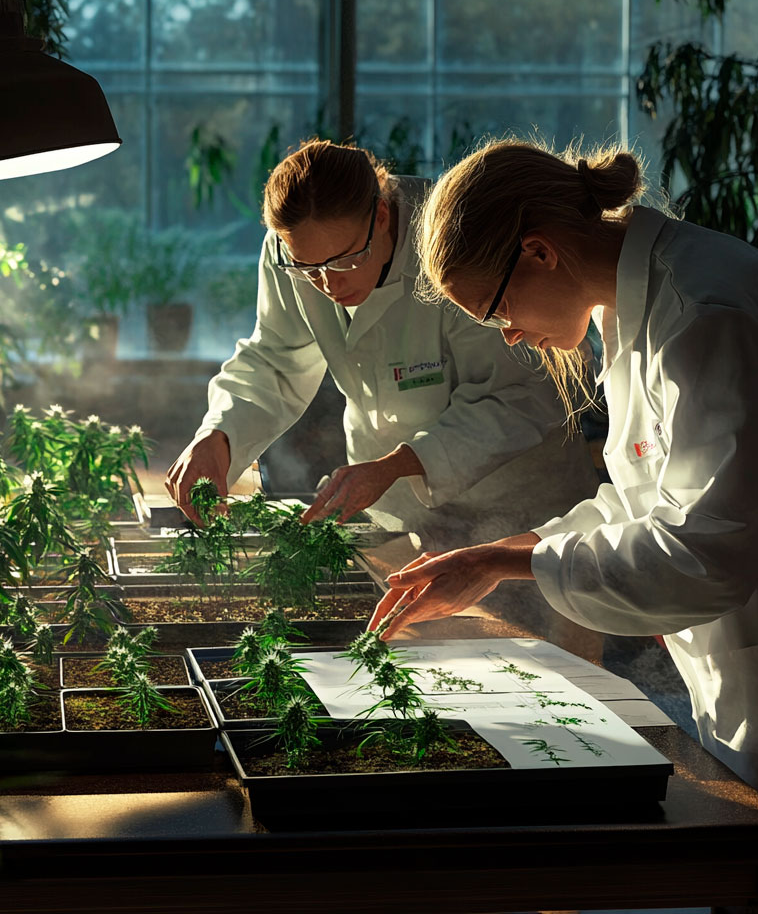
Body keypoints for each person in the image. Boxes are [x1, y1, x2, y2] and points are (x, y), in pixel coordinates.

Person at [371, 137, 758, 911]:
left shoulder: (709, 314)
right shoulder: (640, 305)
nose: (510, 338)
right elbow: (640, 500)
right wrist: (496, 555)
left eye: (494, 312)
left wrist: (514, 563)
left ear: (539, 251)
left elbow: (706, 554)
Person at [166, 139, 602, 657]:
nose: (327, 283)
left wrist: (399, 462)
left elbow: (524, 395)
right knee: (435, 675)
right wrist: (220, 435)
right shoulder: (293, 253)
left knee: (556, 681)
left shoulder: (454, 236)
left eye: (346, 259)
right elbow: (277, 357)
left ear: (381, 215)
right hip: (403, 512)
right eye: (309, 268)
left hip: (519, 505)